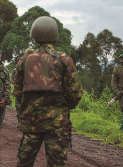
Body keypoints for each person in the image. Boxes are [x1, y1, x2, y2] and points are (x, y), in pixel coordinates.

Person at [13, 16, 83, 166]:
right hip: (57, 123)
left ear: (35, 36)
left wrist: (28, 106)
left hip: (31, 121)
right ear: (55, 36)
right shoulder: (63, 59)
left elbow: (18, 92)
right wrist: (64, 107)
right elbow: (75, 93)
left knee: (24, 163)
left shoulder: (25, 60)